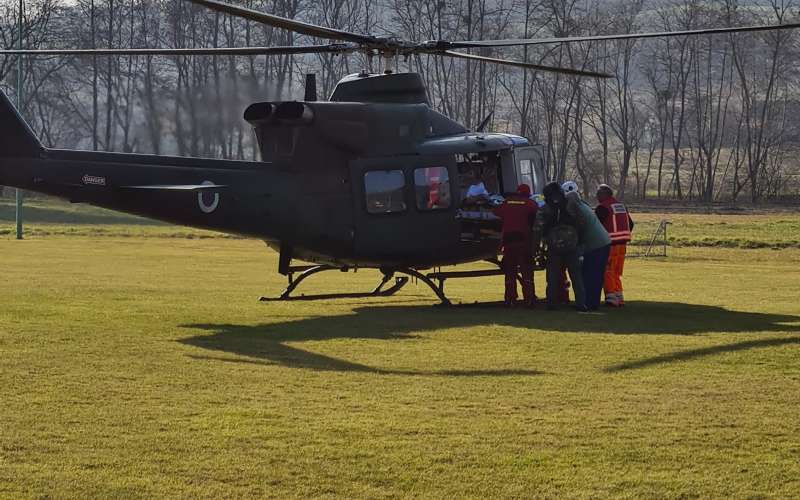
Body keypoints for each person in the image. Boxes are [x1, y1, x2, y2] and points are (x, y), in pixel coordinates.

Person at [533, 182, 586, 311]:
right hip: (572, 245)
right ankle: (581, 303)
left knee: (552, 276)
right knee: (576, 276)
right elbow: (582, 222)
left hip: (554, 246)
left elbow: (537, 228)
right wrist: (578, 239)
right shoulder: (571, 205)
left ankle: (551, 303)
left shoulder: (545, 209)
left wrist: (536, 247)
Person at [563, 181, 611, 311]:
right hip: (602, 242)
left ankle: (589, 303)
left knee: (591, 274)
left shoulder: (577, 209)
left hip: (596, 245)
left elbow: (579, 228)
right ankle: (590, 302)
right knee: (593, 274)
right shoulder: (583, 205)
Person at [493, 184, 538, 306]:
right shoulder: (530, 204)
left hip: (508, 243)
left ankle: (510, 299)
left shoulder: (507, 202)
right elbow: (537, 214)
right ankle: (529, 299)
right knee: (526, 272)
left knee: (510, 272)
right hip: (524, 242)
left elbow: (496, 211)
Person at [595, 184, 634, 307]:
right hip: (622, 244)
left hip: (610, 244)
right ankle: (619, 296)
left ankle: (611, 297)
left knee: (607, 270)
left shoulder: (602, 207)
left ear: (605, 194)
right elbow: (631, 224)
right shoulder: (621, 206)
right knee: (616, 272)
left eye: (598, 193)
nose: (596, 195)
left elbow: (596, 227)